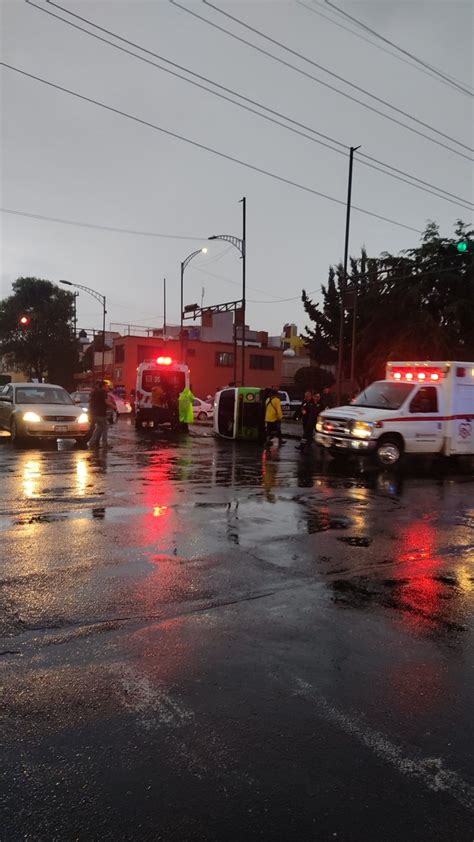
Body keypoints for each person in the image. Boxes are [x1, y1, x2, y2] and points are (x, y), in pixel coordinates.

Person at [88, 381, 114, 449]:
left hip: (94, 413)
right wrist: (114, 406)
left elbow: (91, 401)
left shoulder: (95, 392)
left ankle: (91, 442)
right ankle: (104, 444)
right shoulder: (103, 392)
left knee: (99, 428)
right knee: (105, 428)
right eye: (107, 386)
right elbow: (106, 402)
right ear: (103, 386)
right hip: (101, 414)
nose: (108, 387)